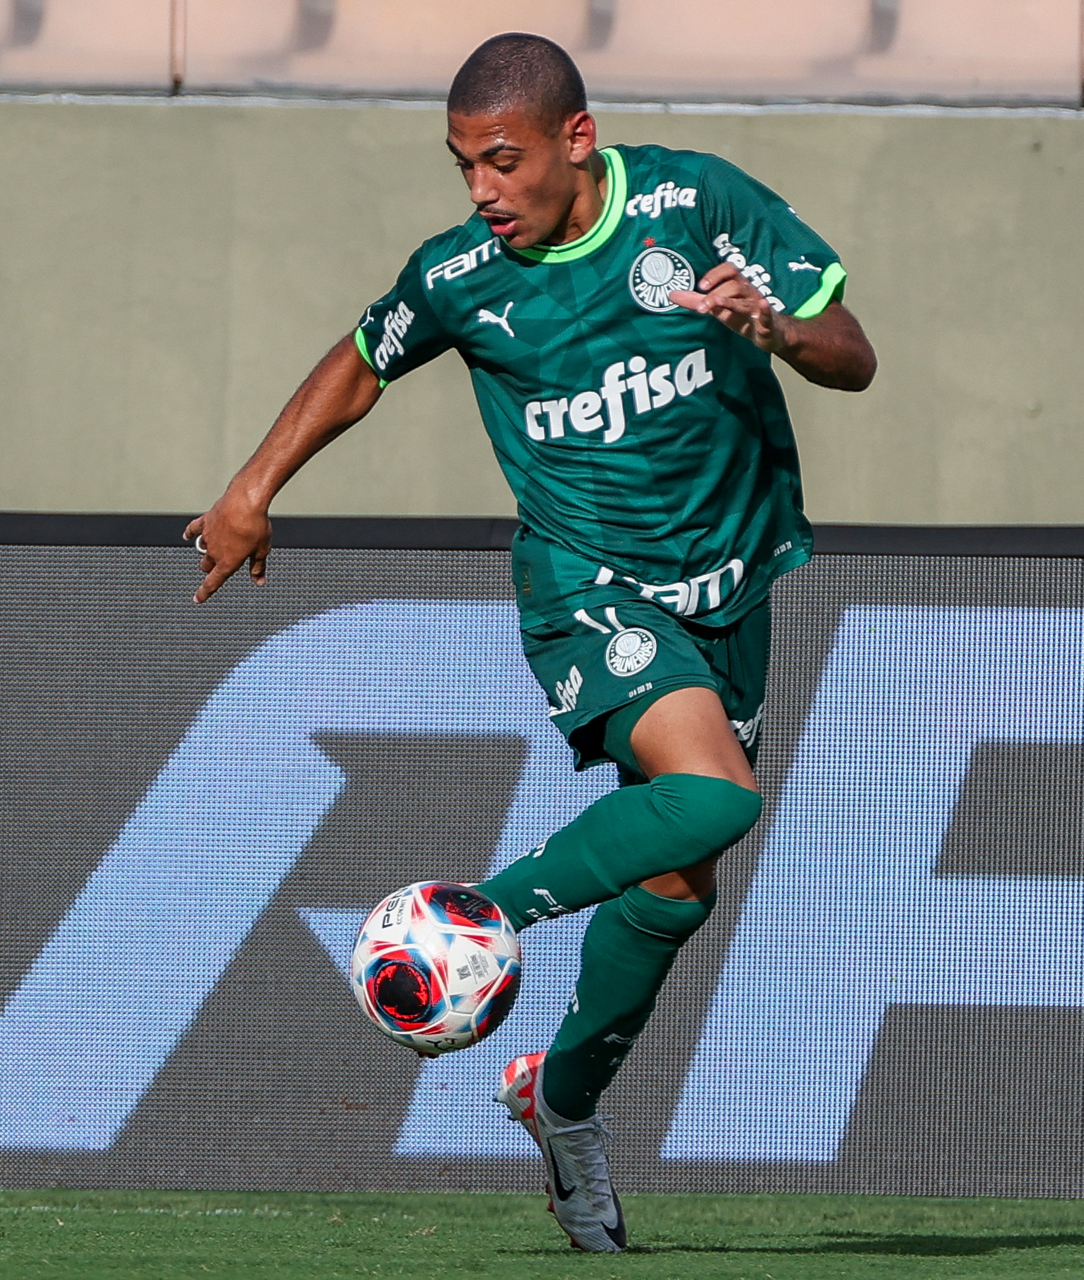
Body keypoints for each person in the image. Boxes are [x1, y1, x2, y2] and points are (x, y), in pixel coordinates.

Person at [184, 32, 876, 1253]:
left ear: (576, 138)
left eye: (501, 161)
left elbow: (853, 357)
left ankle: (559, 1101)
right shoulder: (461, 276)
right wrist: (252, 488)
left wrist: (771, 327)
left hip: (729, 581)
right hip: (587, 584)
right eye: (463, 166)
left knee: (680, 875)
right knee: (716, 797)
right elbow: (362, 361)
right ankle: (471, 915)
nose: (481, 190)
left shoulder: (697, 205)